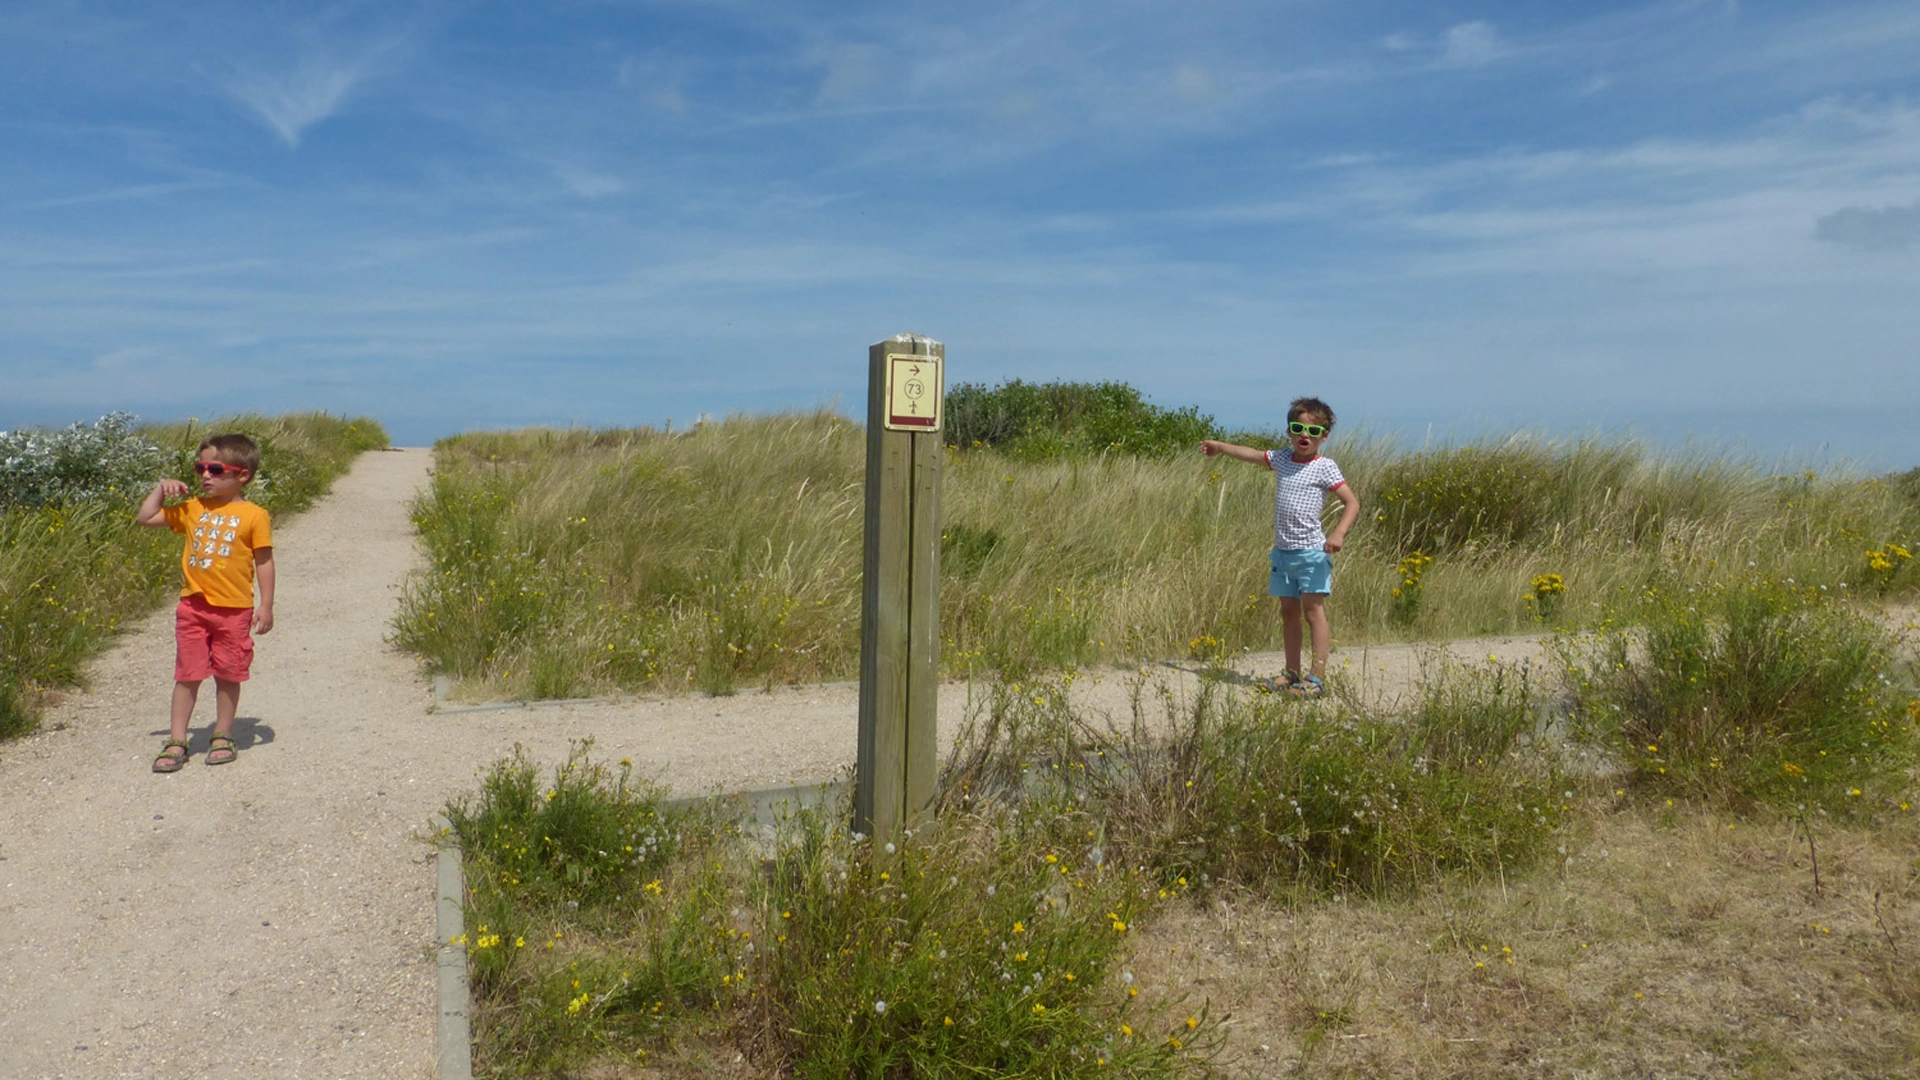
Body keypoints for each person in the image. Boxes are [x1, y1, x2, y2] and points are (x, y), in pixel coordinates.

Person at [1199, 397, 1359, 696]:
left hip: (1311, 553)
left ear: (1324, 436)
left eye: (1313, 431)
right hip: (1283, 553)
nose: (1304, 436)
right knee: (1288, 614)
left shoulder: (1325, 467)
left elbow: (1351, 502)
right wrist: (1220, 446)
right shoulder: (1282, 459)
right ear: (1289, 430)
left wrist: (1338, 533)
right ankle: (1292, 672)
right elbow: (1250, 454)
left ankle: (1317, 677)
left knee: (1314, 613)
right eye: (1298, 428)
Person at [135, 434, 275, 771]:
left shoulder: (255, 515)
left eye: (215, 469)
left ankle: (222, 734)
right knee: (188, 674)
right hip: (193, 607)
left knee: (229, 674)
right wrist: (160, 489)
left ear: (243, 475)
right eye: (200, 468)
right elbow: (146, 518)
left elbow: (264, 561)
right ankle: (177, 739)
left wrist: (266, 605)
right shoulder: (191, 508)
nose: (205, 476)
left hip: (234, 609)